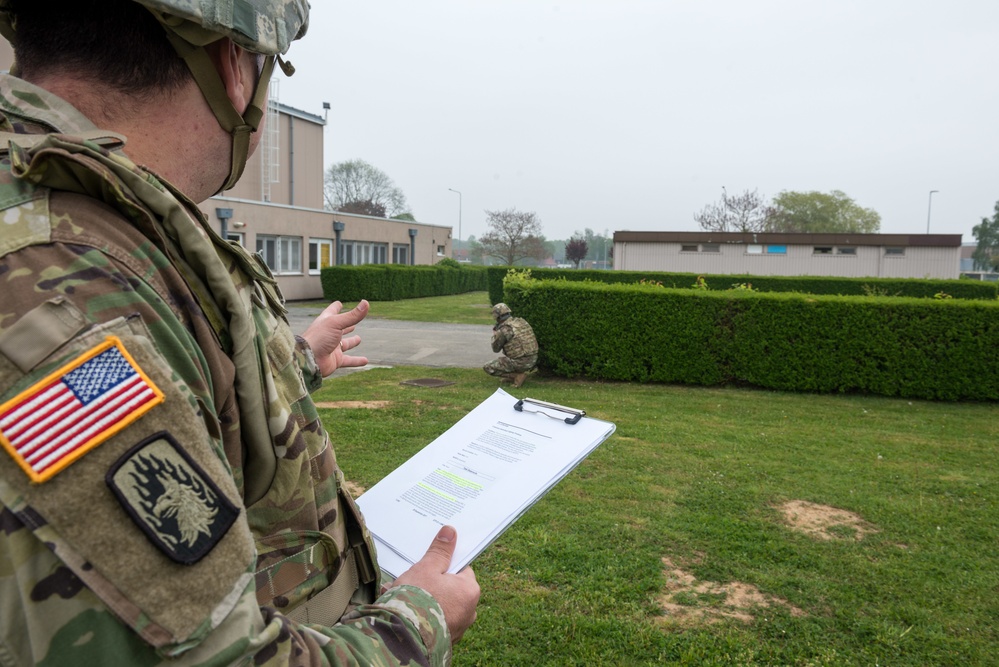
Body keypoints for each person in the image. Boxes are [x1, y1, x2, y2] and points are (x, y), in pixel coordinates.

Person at [0, 1, 479, 665]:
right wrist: (417, 622)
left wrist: (295, 361)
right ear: (234, 66)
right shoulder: (68, 286)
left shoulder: (87, 228)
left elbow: (180, 387)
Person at [483, 303, 538, 388]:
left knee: (488, 367)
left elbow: (496, 349)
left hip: (520, 362)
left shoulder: (505, 329)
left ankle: (516, 376)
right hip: (533, 359)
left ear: (497, 316)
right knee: (508, 360)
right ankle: (515, 375)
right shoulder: (521, 322)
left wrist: (496, 335)